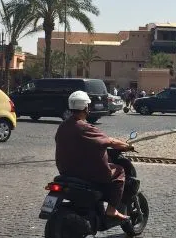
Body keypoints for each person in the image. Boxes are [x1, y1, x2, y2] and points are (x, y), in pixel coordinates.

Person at [55, 91, 134, 221]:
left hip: (66, 171)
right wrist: (127, 146)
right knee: (120, 171)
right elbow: (110, 141)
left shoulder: (63, 126)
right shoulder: (85, 127)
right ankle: (112, 210)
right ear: (86, 108)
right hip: (86, 173)